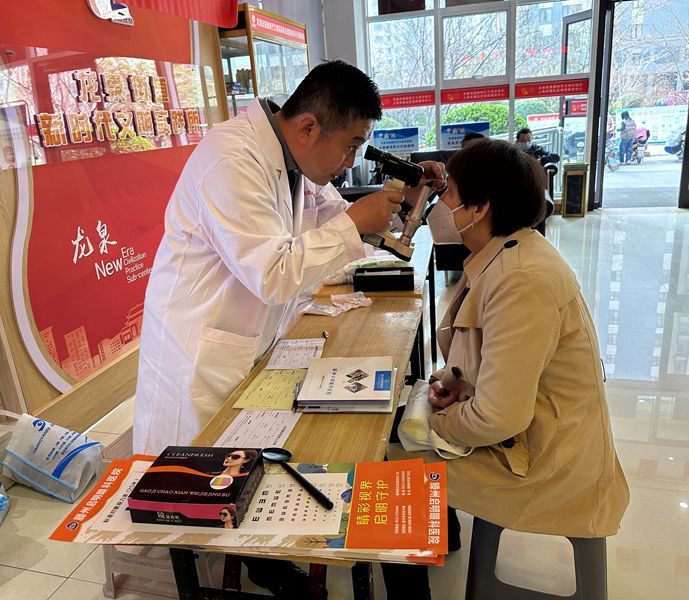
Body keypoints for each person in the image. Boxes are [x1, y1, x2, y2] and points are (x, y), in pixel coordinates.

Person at [133, 60, 444, 599]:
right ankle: (232, 562)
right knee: (203, 471)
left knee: (256, 453)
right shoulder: (230, 160)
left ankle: (261, 559)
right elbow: (274, 272)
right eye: (350, 146)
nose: (351, 161)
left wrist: (402, 201)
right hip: (201, 343)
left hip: (248, 333)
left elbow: (331, 223)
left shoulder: (294, 162)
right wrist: (355, 223)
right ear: (308, 127)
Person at [383, 138, 629, 600]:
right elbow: (485, 358)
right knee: (399, 427)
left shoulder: (521, 280)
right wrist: (452, 386)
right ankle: (446, 535)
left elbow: (499, 417)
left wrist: (434, 422)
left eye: (448, 193)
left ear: (479, 208)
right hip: (530, 431)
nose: (439, 206)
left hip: (545, 461)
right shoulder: (503, 254)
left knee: (390, 466)